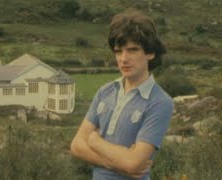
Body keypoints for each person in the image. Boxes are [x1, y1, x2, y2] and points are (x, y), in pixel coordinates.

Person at [70, 10, 174, 180]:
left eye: (132, 50)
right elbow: (76, 146)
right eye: (118, 51)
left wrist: (95, 141)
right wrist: (118, 162)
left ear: (150, 53)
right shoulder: (105, 92)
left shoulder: (160, 102)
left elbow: (133, 163)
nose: (123, 59)